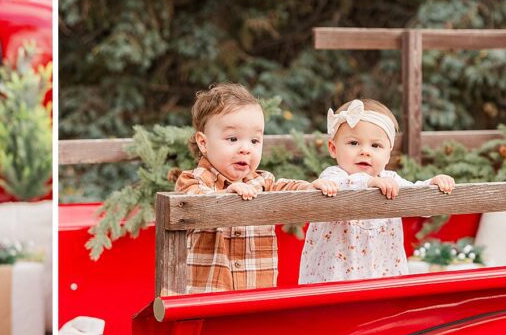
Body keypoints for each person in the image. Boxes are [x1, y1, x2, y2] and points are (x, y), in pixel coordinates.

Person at [171, 82, 334, 293]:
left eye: (255, 141)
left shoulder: (262, 182)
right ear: (203, 142)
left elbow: (287, 189)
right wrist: (223, 197)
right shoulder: (193, 181)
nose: (246, 149)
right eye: (232, 139)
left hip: (255, 294)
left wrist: (311, 187)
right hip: (208, 298)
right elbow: (194, 203)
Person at [298, 98, 455, 283]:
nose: (365, 151)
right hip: (335, 275)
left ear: (388, 153)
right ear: (333, 148)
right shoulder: (333, 176)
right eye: (354, 143)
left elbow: (414, 198)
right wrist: (368, 182)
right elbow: (340, 188)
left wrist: (432, 185)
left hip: (383, 272)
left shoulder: (390, 180)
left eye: (376, 146)